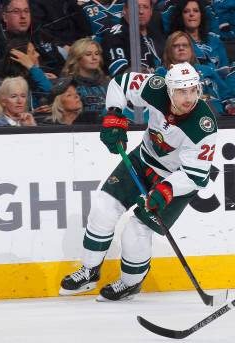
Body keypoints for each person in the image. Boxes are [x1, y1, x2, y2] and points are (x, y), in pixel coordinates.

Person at [59, 62, 218, 301]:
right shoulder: (155, 88)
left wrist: (166, 189)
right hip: (143, 159)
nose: (189, 98)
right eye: (181, 92)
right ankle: (89, 271)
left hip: (175, 180)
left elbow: (196, 175)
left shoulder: (203, 125)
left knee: (136, 230)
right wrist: (114, 115)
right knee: (104, 208)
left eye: (193, 90)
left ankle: (130, 284)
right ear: (169, 90)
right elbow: (119, 84)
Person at [155, 31, 235, 115]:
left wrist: (229, 106)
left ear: (191, 50)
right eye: (175, 46)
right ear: (169, 51)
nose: (181, 48)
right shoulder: (162, 73)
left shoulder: (208, 70)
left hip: (217, 116)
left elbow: (227, 95)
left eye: (185, 45)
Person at [0, 0, 66, 78]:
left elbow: (59, 63)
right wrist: (35, 74)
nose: (23, 16)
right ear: (4, 17)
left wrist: (55, 76)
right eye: (16, 11)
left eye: (26, 11)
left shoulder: (38, 33)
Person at [99, 0, 164, 77]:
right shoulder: (115, 35)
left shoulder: (157, 34)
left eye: (145, 7)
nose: (141, 11)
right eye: (136, 7)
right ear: (125, 10)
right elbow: (120, 74)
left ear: (151, 12)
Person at [168, 0, 229, 74]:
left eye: (196, 11)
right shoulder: (176, 41)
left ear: (201, 14)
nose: (191, 14)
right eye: (186, 11)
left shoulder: (215, 40)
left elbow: (225, 69)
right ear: (180, 16)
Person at [0, 37, 53, 110]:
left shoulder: (35, 77)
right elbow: (49, 90)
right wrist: (32, 67)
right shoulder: (8, 84)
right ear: (21, 58)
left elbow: (50, 92)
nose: (38, 55)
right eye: (33, 52)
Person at [61, 37, 108, 119]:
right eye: (88, 54)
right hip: (81, 129)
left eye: (97, 54)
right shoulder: (68, 85)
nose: (94, 58)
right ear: (77, 58)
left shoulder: (108, 83)